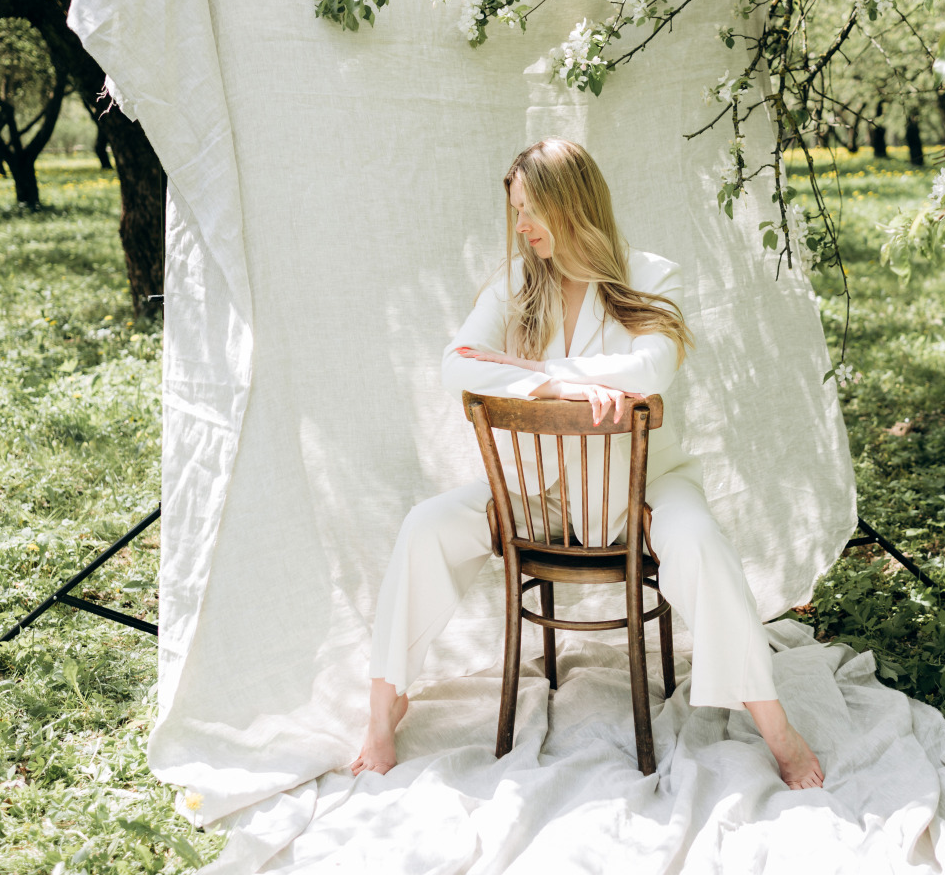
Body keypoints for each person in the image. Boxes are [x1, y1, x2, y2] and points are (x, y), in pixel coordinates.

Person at [350, 137, 824, 790]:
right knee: (424, 526)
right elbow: (456, 361)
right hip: (536, 494)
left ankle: (776, 728)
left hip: (644, 487)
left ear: (570, 204)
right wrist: (555, 386)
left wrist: (536, 375)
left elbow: (651, 366)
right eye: (515, 211)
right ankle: (383, 711)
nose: (521, 227)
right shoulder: (516, 285)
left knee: (703, 546)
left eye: (531, 209)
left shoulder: (650, 276)